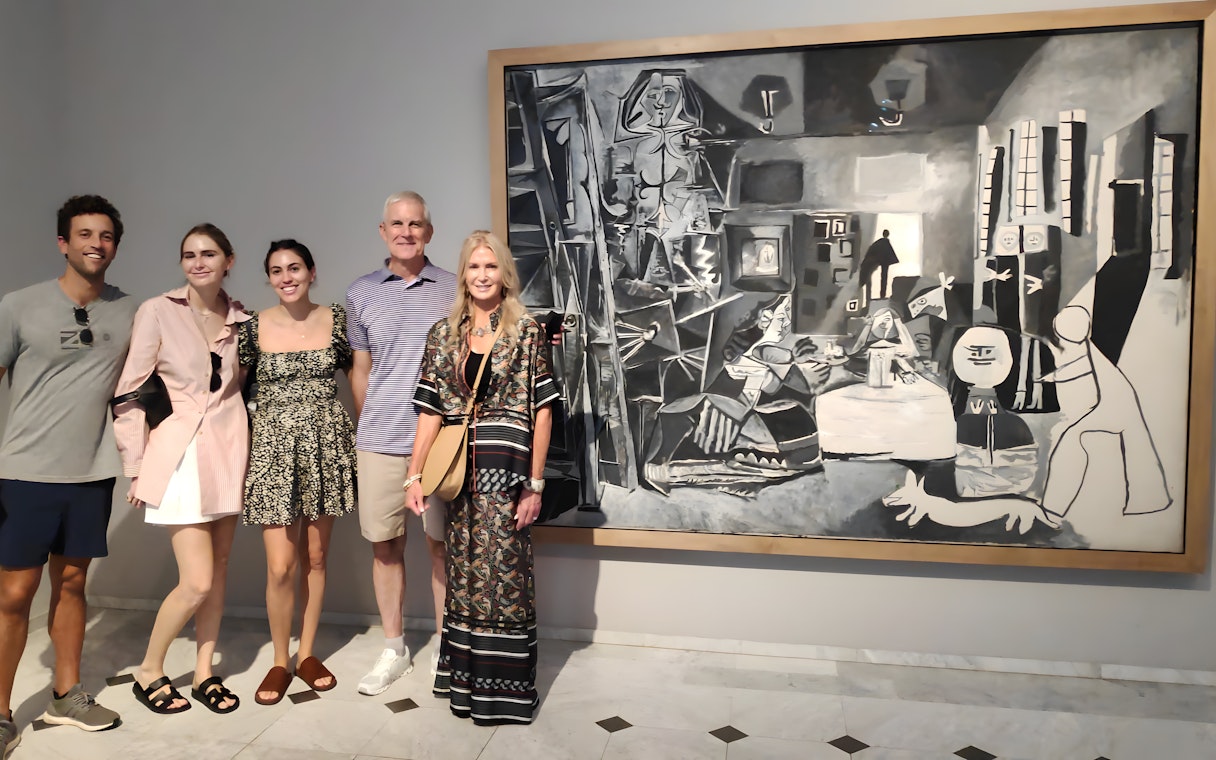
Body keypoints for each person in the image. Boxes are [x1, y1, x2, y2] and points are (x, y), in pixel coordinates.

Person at [406, 229, 559, 725]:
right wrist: (413, 476)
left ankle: (506, 694)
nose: (482, 275)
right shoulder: (443, 334)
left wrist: (535, 484)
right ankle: (466, 686)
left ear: (504, 273)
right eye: (474, 267)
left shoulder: (527, 331)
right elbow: (430, 411)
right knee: (466, 574)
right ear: (464, 274)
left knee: (506, 575)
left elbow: (542, 412)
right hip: (457, 475)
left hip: (507, 471)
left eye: (491, 266)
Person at [0, 195, 134, 753]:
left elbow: (182, 337)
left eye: (104, 236)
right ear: (63, 242)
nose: (94, 244)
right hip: (25, 472)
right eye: (84, 234)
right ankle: (0, 712)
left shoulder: (132, 310)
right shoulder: (19, 305)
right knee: (14, 593)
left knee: (73, 583)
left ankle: (66, 695)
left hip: (91, 473)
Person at [112, 223, 250, 715]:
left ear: (228, 260)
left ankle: (205, 671)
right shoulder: (156, 311)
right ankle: (149, 670)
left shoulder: (243, 319)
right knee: (197, 581)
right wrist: (135, 464)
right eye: (189, 254)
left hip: (232, 453)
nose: (198, 262)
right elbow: (129, 393)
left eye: (209, 253)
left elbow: (241, 390)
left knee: (219, 571)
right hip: (179, 455)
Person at [346, 191, 456, 694]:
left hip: (440, 444)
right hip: (380, 442)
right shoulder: (361, 293)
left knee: (441, 548)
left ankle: (448, 650)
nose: (406, 231)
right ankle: (394, 650)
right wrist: (374, 423)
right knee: (385, 547)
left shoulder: (454, 290)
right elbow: (362, 370)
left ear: (428, 232)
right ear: (383, 230)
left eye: (416, 223)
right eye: (397, 223)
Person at [239, 240, 356, 705]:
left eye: (294, 268)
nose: (286, 277)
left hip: (327, 445)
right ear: (268, 278)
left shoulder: (339, 321)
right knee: (280, 565)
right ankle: (278, 660)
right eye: (276, 270)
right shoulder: (252, 327)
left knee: (317, 558)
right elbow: (232, 391)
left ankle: (307, 654)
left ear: (311, 272)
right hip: (272, 449)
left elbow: (363, 374)